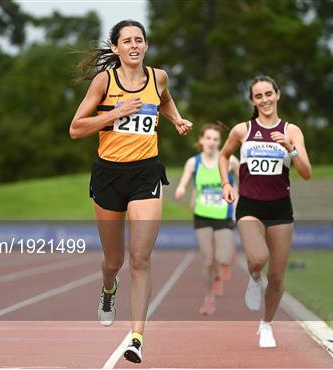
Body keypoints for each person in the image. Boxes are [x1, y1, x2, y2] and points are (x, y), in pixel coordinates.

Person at [69, 20, 193, 363]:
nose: (134, 45)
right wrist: (116, 114)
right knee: (114, 261)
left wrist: (176, 119)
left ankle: (136, 337)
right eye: (127, 41)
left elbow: (164, 100)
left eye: (139, 40)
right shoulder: (104, 82)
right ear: (116, 48)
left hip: (146, 172)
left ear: (146, 45)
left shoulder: (159, 78)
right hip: (109, 174)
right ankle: (109, 288)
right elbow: (76, 128)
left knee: (140, 259)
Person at [218, 76, 311, 348]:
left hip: (281, 207)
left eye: (268, 94)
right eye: (258, 96)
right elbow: (224, 156)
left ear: (278, 95)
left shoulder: (291, 131)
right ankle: (253, 276)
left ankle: (266, 325)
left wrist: (290, 149)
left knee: (278, 275)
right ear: (252, 101)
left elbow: (306, 173)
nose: (265, 100)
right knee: (258, 259)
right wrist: (226, 183)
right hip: (249, 205)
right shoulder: (242, 130)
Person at [175, 123, 239, 316]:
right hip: (202, 215)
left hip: (224, 214)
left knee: (223, 257)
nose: (211, 142)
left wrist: (237, 202)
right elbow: (184, 183)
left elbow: (243, 181)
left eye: (215, 139)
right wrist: (181, 190)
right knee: (209, 260)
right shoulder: (193, 163)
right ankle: (210, 297)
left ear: (221, 142)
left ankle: (228, 256)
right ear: (201, 140)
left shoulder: (230, 160)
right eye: (208, 138)